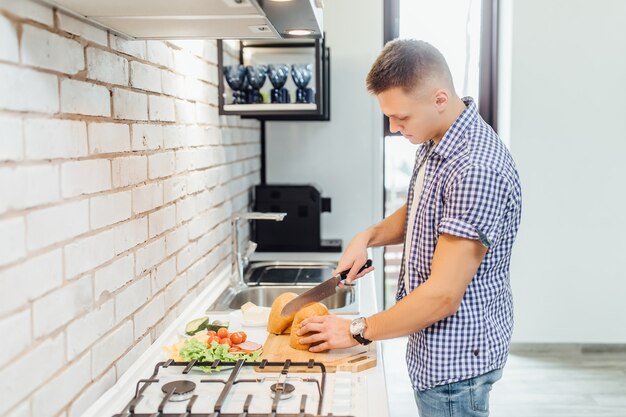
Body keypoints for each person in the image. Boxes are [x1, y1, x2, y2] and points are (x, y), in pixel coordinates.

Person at [296, 39, 522, 416]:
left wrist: (354, 330)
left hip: (456, 363)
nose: (393, 126)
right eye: (389, 116)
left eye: (401, 117)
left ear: (439, 99)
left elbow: (442, 296)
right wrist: (367, 237)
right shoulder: (438, 141)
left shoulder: (475, 168)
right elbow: (422, 208)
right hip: (436, 348)